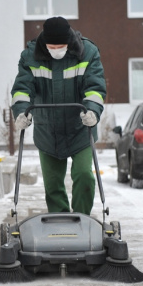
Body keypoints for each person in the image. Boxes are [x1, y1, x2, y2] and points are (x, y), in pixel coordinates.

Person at [10, 16, 107, 216]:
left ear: (68, 40)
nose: (56, 49)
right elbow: (22, 89)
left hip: (81, 129)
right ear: (45, 43)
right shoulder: (30, 56)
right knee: (53, 184)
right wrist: (21, 113)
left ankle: (82, 219)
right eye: (52, 46)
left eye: (60, 45)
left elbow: (95, 87)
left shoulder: (87, 53)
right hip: (48, 131)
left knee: (84, 176)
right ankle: (59, 221)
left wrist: (92, 111)